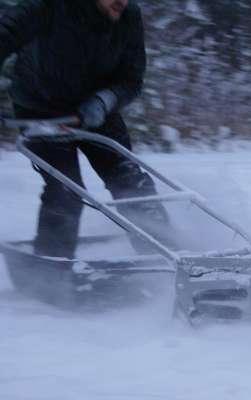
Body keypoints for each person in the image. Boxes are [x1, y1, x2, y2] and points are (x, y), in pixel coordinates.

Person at [0, 0, 169, 258]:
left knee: (130, 182)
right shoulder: (48, 7)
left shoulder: (128, 16)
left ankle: (170, 258)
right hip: (41, 111)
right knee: (66, 190)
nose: (121, 1)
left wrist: (105, 100)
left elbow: (132, 79)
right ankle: (50, 276)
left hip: (97, 109)